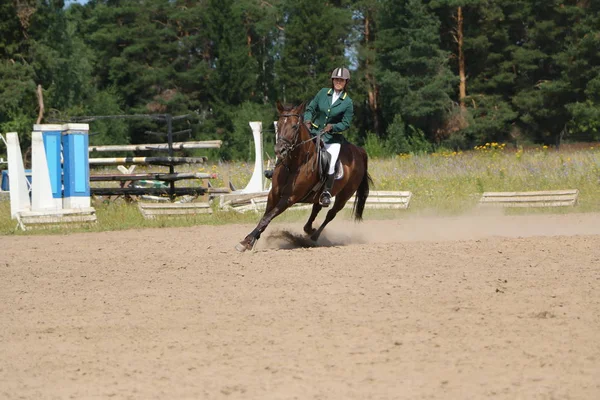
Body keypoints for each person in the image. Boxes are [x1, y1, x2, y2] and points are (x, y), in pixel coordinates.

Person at [303, 67, 354, 207]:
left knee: (330, 163)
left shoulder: (347, 102)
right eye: (336, 79)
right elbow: (310, 109)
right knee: (295, 146)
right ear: (332, 80)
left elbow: (346, 123)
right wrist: (307, 120)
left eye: (341, 80)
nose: (338, 82)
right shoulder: (322, 93)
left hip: (332, 139)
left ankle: (326, 192)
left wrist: (333, 127)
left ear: (346, 82)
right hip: (313, 133)